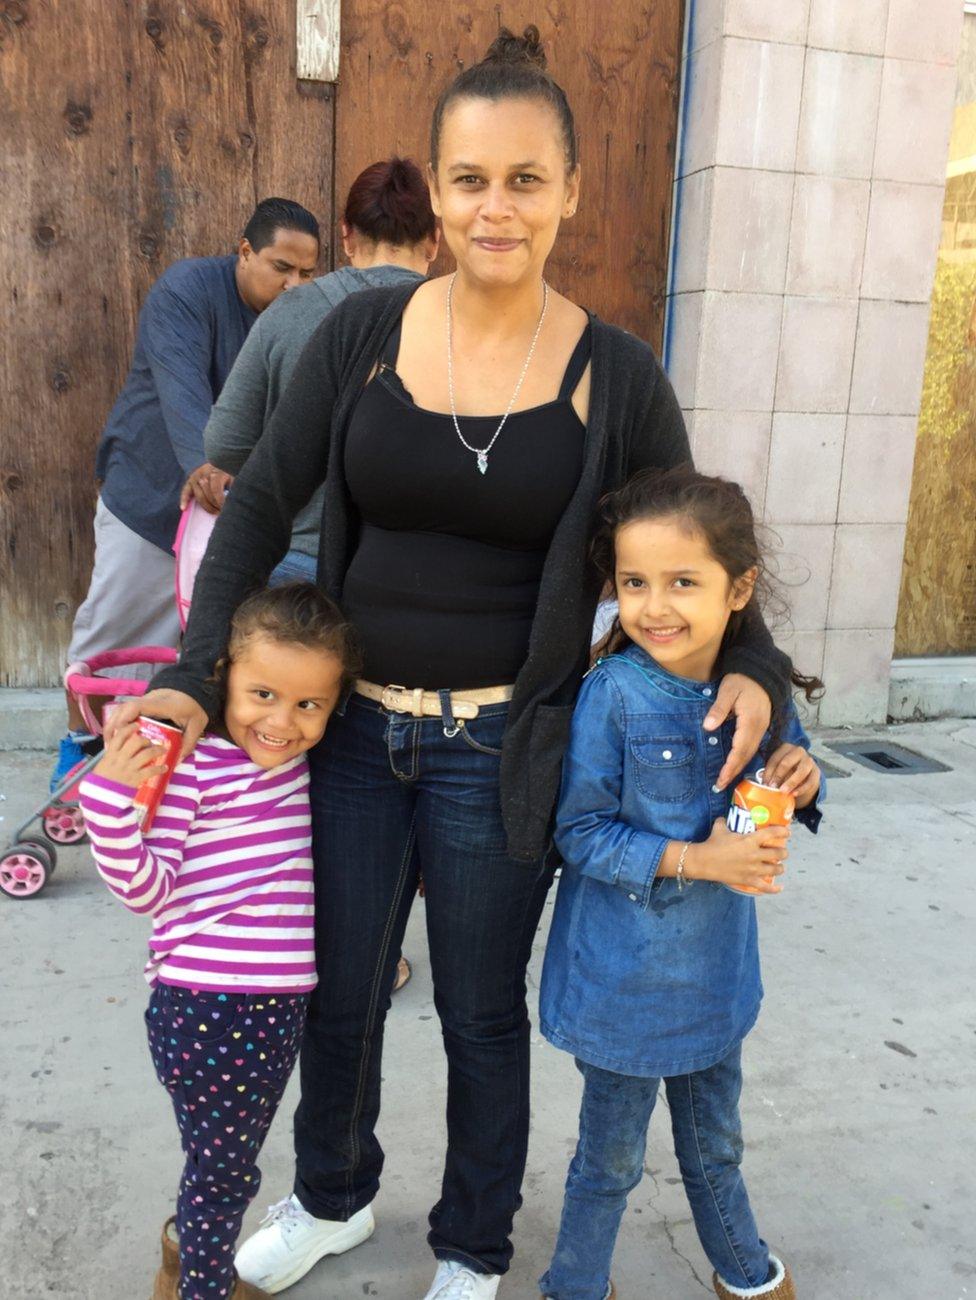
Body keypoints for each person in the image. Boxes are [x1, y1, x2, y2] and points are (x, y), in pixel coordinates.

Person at [115, 26, 798, 1300]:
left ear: (570, 190)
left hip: (505, 744)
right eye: (471, 177)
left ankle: (474, 1244)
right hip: (354, 737)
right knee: (340, 996)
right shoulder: (360, 336)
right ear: (434, 187)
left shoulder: (617, 372)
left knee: (483, 1014)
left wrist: (751, 649)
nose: (498, 206)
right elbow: (259, 509)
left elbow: (694, 535)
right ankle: (331, 1197)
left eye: (526, 178)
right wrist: (189, 672)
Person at [538, 467, 825, 1300]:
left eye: (683, 582)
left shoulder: (754, 694)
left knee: (715, 1145)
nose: (655, 606)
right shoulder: (615, 696)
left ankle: (745, 1272)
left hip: (715, 978)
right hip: (621, 987)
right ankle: (575, 1285)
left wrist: (803, 777)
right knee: (610, 1160)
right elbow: (579, 832)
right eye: (634, 582)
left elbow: (790, 769)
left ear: (740, 588)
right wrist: (697, 859)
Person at [78, 583, 362, 1300]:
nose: (283, 722)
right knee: (226, 1170)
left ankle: (182, 1254)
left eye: (308, 705)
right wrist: (108, 805)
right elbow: (146, 890)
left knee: (216, 1160)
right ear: (222, 679)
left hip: (268, 1013)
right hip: (211, 1010)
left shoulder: (298, 767)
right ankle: (202, 1287)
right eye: (262, 694)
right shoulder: (194, 767)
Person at [52, 199, 321, 788]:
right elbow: (181, 388)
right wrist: (205, 465)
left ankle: (168, 777)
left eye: (307, 273)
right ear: (244, 251)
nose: (295, 285)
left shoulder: (301, 316)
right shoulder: (186, 291)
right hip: (150, 499)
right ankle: (79, 750)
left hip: (236, 515)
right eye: (281, 267)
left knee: (215, 654)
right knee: (117, 640)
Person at [204, 158, 439, 587]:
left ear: (346, 236)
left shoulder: (291, 311)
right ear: (435, 240)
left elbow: (224, 443)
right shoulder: (458, 325)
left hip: (292, 567)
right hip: (411, 575)